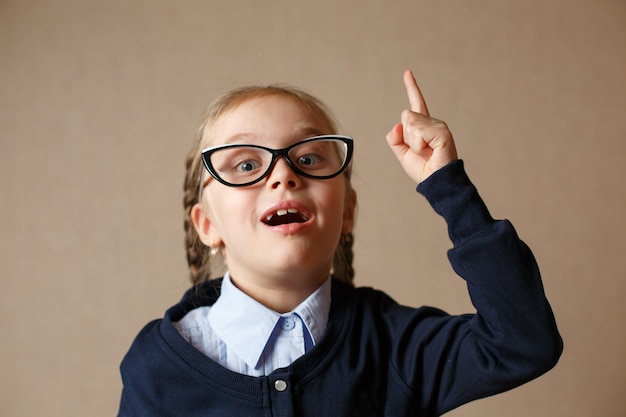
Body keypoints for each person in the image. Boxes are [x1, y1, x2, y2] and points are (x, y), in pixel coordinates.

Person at [118, 70, 562, 416]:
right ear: (207, 225)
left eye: (308, 158)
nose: (283, 174)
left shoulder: (395, 346)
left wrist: (450, 191)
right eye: (245, 163)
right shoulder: (155, 368)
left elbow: (523, 342)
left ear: (347, 210)